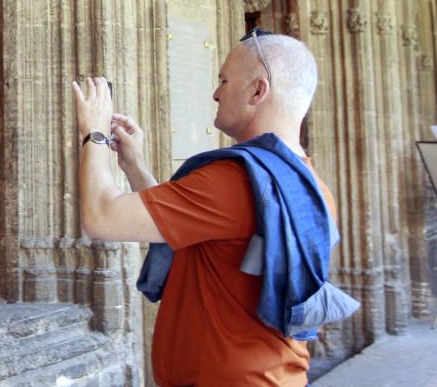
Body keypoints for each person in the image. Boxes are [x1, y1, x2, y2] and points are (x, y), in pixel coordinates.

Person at [72, 30, 359, 386]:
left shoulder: (235, 180)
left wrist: (94, 133)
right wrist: (134, 165)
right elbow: (185, 228)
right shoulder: (306, 181)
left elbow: (102, 218)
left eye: (224, 80)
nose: (215, 93)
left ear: (258, 90)